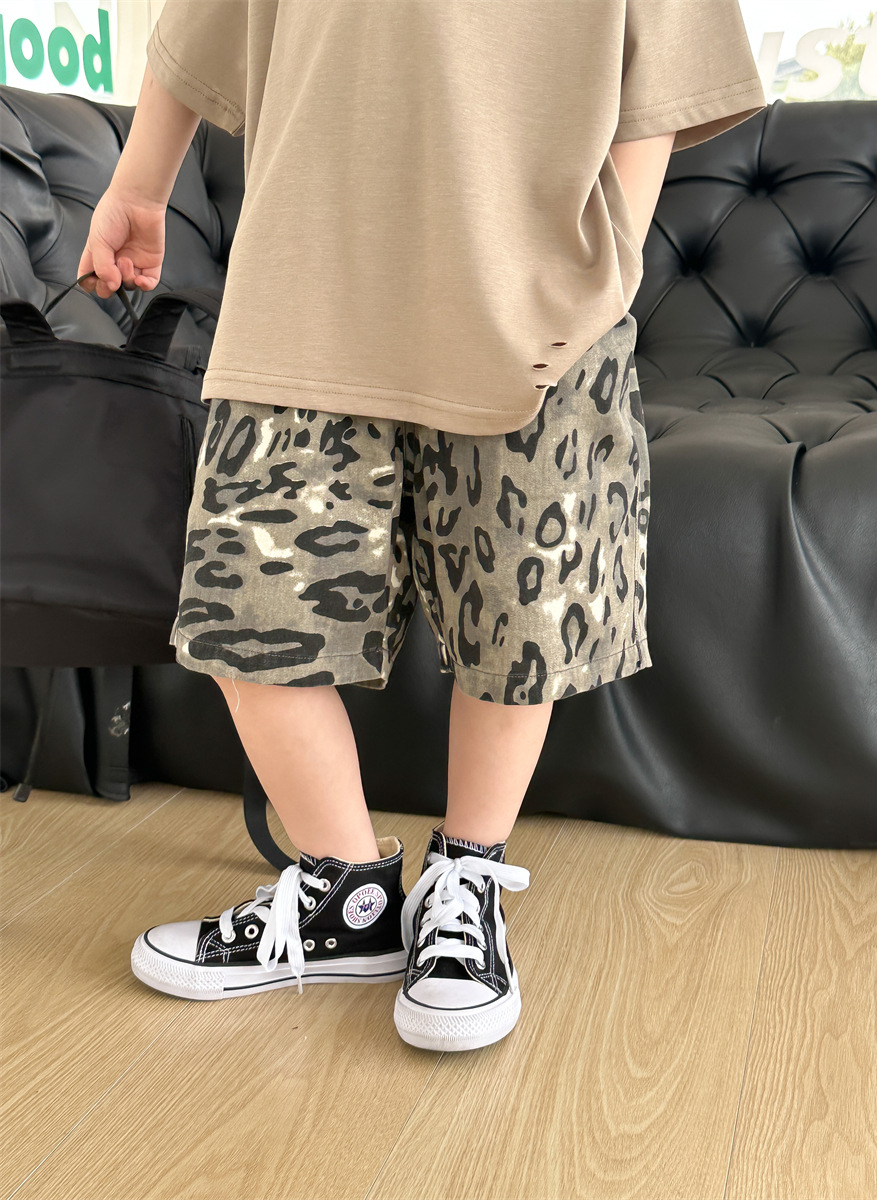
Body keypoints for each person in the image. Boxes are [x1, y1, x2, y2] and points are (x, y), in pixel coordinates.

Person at [77, 0, 766, 1053]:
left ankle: (466, 881)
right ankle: (345, 896)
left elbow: (665, 71)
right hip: (302, 286)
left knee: (518, 626)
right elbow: (203, 19)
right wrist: (138, 184)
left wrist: (607, 268)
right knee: (246, 611)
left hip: (536, 305)